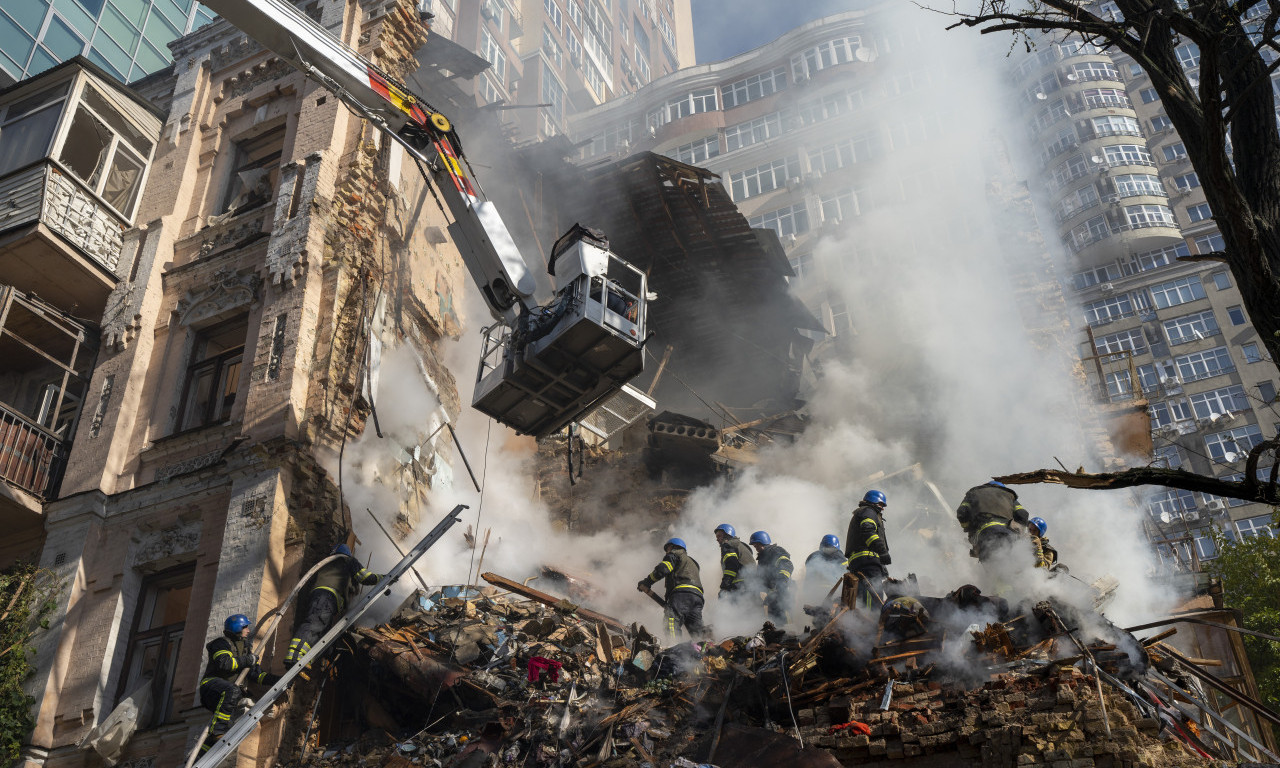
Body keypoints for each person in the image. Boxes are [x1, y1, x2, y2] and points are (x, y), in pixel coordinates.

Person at [284, 543, 382, 669]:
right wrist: (383, 578)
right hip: (326, 598)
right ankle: (295, 655)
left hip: (322, 599)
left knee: (320, 632)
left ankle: (305, 659)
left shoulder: (328, 564)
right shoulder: (348, 560)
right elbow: (366, 577)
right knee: (314, 625)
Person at [198, 614, 280, 757]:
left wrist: (278, 680)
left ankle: (201, 755)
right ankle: (217, 731)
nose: (248, 631)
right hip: (211, 686)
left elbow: (256, 675)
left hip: (226, 694)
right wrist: (247, 660)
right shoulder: (221, 643)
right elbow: (225, 664)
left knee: (229, 725)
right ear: (237, 627)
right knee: (233, 691)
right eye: (245, 627)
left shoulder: (245, 649)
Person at [637, 537, 705, 640]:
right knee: (697, 632)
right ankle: (705, 653)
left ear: (672, 547)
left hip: (681, 594)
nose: (666, 552)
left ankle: (675, 649)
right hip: (697, 598)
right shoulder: (693, 563)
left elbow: (662, 569)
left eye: (667, 549)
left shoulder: (674, 554)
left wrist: (647, 582)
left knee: (671, 623)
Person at [955, 481, 1030, 563]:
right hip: (1008, 536)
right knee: (1012, 570)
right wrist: (1019, 535)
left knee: (991, 572)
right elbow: (1023, 514)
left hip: (985, 536)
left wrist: (968, 528)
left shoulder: (974, 494)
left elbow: (961, 512)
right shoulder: (1008, 496)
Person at [844, 490, 891, 609]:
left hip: (862, 562)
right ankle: (872, 621)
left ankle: (861, 622)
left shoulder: (863, 512)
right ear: (873, 501)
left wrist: (882, 566)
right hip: (867, 562)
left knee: (863, 596)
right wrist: (883, 552)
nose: (882, 508)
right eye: (881, 504)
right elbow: (868, 532)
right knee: (873, 596)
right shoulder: (868, 512)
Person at [749, 531, 794, 624]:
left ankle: (790, 635)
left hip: (782, 593)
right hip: (772, 596)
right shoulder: (762, 558)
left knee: (785, 620)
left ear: (764, 542)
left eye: (757, 545)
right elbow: (763, 578)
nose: (756, 548)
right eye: (755, 546)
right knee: (774, 622)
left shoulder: (775, 551)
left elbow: (787, 565)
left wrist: (781, 583)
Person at [803, 534, 848, 604]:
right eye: (826, 548)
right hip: (816, 593)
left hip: (834, 594)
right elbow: (808, 578)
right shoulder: (813, 557)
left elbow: (845, 576)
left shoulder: (841, 559)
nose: (828, 551)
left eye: (831, 549)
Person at [713, 523, 754, 597]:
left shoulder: (729, 546)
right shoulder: (741, 546)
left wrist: (724, 588)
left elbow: (731, 567)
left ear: (727, 535)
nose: (717, 539)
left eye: (719, 536)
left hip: (740, 587)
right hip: (754, 586)